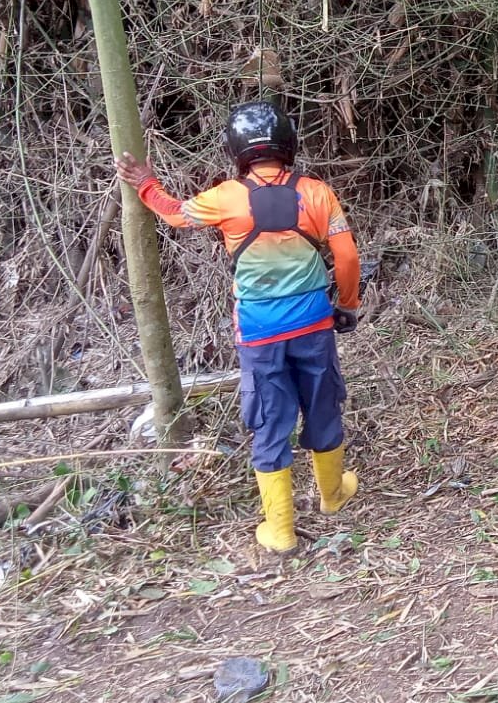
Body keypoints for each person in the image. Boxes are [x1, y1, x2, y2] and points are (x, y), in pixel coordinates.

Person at [115, 101, 361, 556]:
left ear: (236, 150)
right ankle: (332, 496)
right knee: (323, 403)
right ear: (288, 143)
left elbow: (174, 213)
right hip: (314, 324)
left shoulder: (226, 197)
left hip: (258, 333)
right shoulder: (317, 192)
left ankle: (281, 532)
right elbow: (346, 258)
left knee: (269, 418)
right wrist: (347, 304)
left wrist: (146, 183)